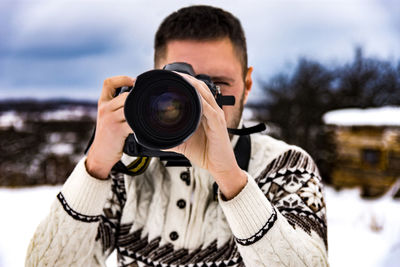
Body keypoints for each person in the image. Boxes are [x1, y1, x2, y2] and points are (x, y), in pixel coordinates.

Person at [26, 5, 328, 267]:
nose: (200, 102)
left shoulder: (285, 166)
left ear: (247, 85)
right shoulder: (126, 171)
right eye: (181, 85)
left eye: (217, 85)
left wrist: (232, 181)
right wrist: (96, 168)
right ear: (151, 82)